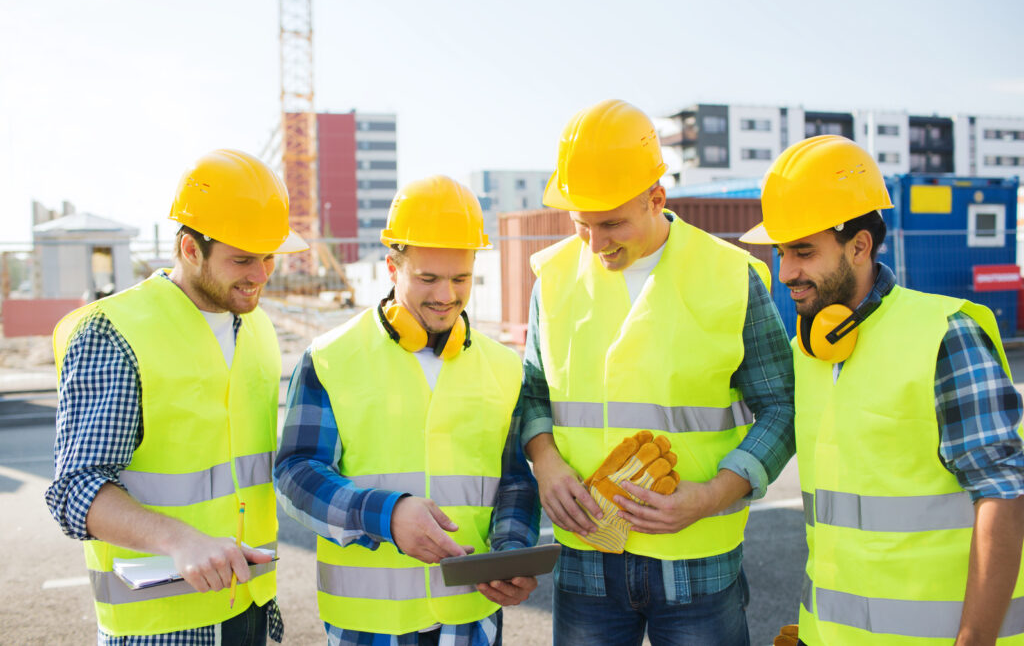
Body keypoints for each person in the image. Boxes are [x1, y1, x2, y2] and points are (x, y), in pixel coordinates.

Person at [521, 98, 796, 645]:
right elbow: (531, 393)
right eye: (582, 225)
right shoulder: (552, 277)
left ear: (656, 198)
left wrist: (713, 494)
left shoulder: (731, 274)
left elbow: (783, 407)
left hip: (698, 556)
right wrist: (546, 461)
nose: (596, 245)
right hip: (587, 553)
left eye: (613, 224)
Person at [736, 134, 1024, 645]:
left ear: (860, 245)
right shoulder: (809, 350)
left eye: (803, 251)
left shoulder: (944, 335)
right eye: (781, 252)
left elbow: (1005, 493)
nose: (787, 273)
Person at [45, 148, 308, 645]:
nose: (261, 275)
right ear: (191, 249)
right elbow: (73, 491)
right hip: (158, 625)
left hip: (245, 605)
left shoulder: (259, 329)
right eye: (243, 259)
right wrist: (177, 538)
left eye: (269, 256)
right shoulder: (115, 332)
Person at [274, 175, 541, 646]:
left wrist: (513, 552)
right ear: (392, 268)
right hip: (368, 625)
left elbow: (515, 480)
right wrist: (386, 516)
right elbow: (296, 473)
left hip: (470, 617)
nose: (446, 296)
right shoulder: (331, 357)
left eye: (461, 279)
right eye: (428, 278)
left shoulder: (504, 368)